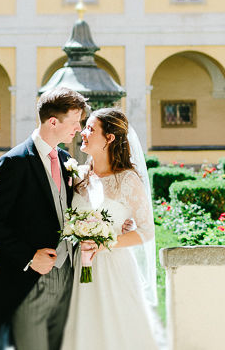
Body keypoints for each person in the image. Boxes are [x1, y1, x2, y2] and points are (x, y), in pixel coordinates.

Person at [0, 87, 89, 350]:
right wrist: (29, 256)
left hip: (67, 277)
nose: (79, 129)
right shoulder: (15, 161)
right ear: (53, 122)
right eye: (75, 122)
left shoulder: (66, 159)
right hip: (29, 281)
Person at [61, 107, 164, 350]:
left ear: (109, 138)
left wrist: (105, 243)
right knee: (85, 329)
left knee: (118, 332)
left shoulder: (128, 180)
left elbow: (147, 231)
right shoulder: (78, 176)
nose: (83, 132)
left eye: (90, 129)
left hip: (114, 268)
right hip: (79, 267)